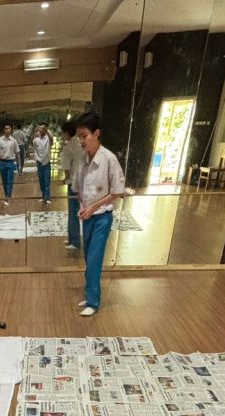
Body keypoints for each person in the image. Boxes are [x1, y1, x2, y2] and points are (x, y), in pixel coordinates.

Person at [74, 111, 125, 317]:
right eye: (79, 136)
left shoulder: (109, 159)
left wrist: (93, 207)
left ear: (96, 133)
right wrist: (82, 205)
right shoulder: (82, 159)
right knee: (88, 258)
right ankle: (89, 295)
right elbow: (79, 189)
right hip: (87, 217)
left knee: (94, 259)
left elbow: (117, 192)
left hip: (102, 218)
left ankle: (93, 302)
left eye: (84, 136)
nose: (81, 141)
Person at [60, 120, 84, 251]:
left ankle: (75, 241)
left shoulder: (69, 146)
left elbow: (67, 168)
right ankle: (72, 238)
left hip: (74, 183)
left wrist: (65, 179)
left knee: (73, 212)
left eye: (63, 133)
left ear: (67, 133)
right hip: (83, 182)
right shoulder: (80, 143)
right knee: (76, 212)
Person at [0, 124, 18, 206]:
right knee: (4, 181)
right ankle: (6, 195)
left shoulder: (13, 140)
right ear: (3, 130)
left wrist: (18, 164)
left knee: (9, 181)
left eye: (9, 128)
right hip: (2, 162)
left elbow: (17, 152)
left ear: (11, 130)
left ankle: (8, 197)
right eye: (6, 129)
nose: (7, 130)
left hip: (10, 162)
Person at [32, 124, 52, 204]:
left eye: (43, 128)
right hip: (39, 162)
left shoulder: (48, 138)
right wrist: (34, 132)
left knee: (47, 180)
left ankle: (47, 197)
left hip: (46, 162)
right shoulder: (36, 140)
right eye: (40, 128)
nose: (41, 130)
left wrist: (47, 131)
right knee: (41, 180)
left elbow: (52, 140)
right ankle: (43, 196)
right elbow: (33, 144)